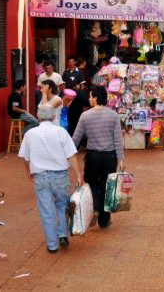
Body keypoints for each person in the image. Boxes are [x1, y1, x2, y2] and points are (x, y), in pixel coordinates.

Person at [18, 104, 83, 254]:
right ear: (54, 116)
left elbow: (25, 158)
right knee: (62, 205)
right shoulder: (61, 132)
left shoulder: (30, 134)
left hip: (40, 176)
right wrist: (79, 175)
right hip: (60, 175)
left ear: (38, 117)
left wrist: (28, 172)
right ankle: (62, 234)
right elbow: (71, 155)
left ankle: (52, 245)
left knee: (46, 211)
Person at [72, 86, 124, 228]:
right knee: (107, 185)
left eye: (90, 96)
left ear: (95, 98)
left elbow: (76, 139)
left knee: (92, 183)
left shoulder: (85, 116)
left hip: (92, 156)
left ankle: (95, 208)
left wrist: (68, 153)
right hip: (110, 156)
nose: (89, 99)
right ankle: (104, 219)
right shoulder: (113, 116)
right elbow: (117, 140)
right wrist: (121, 159)